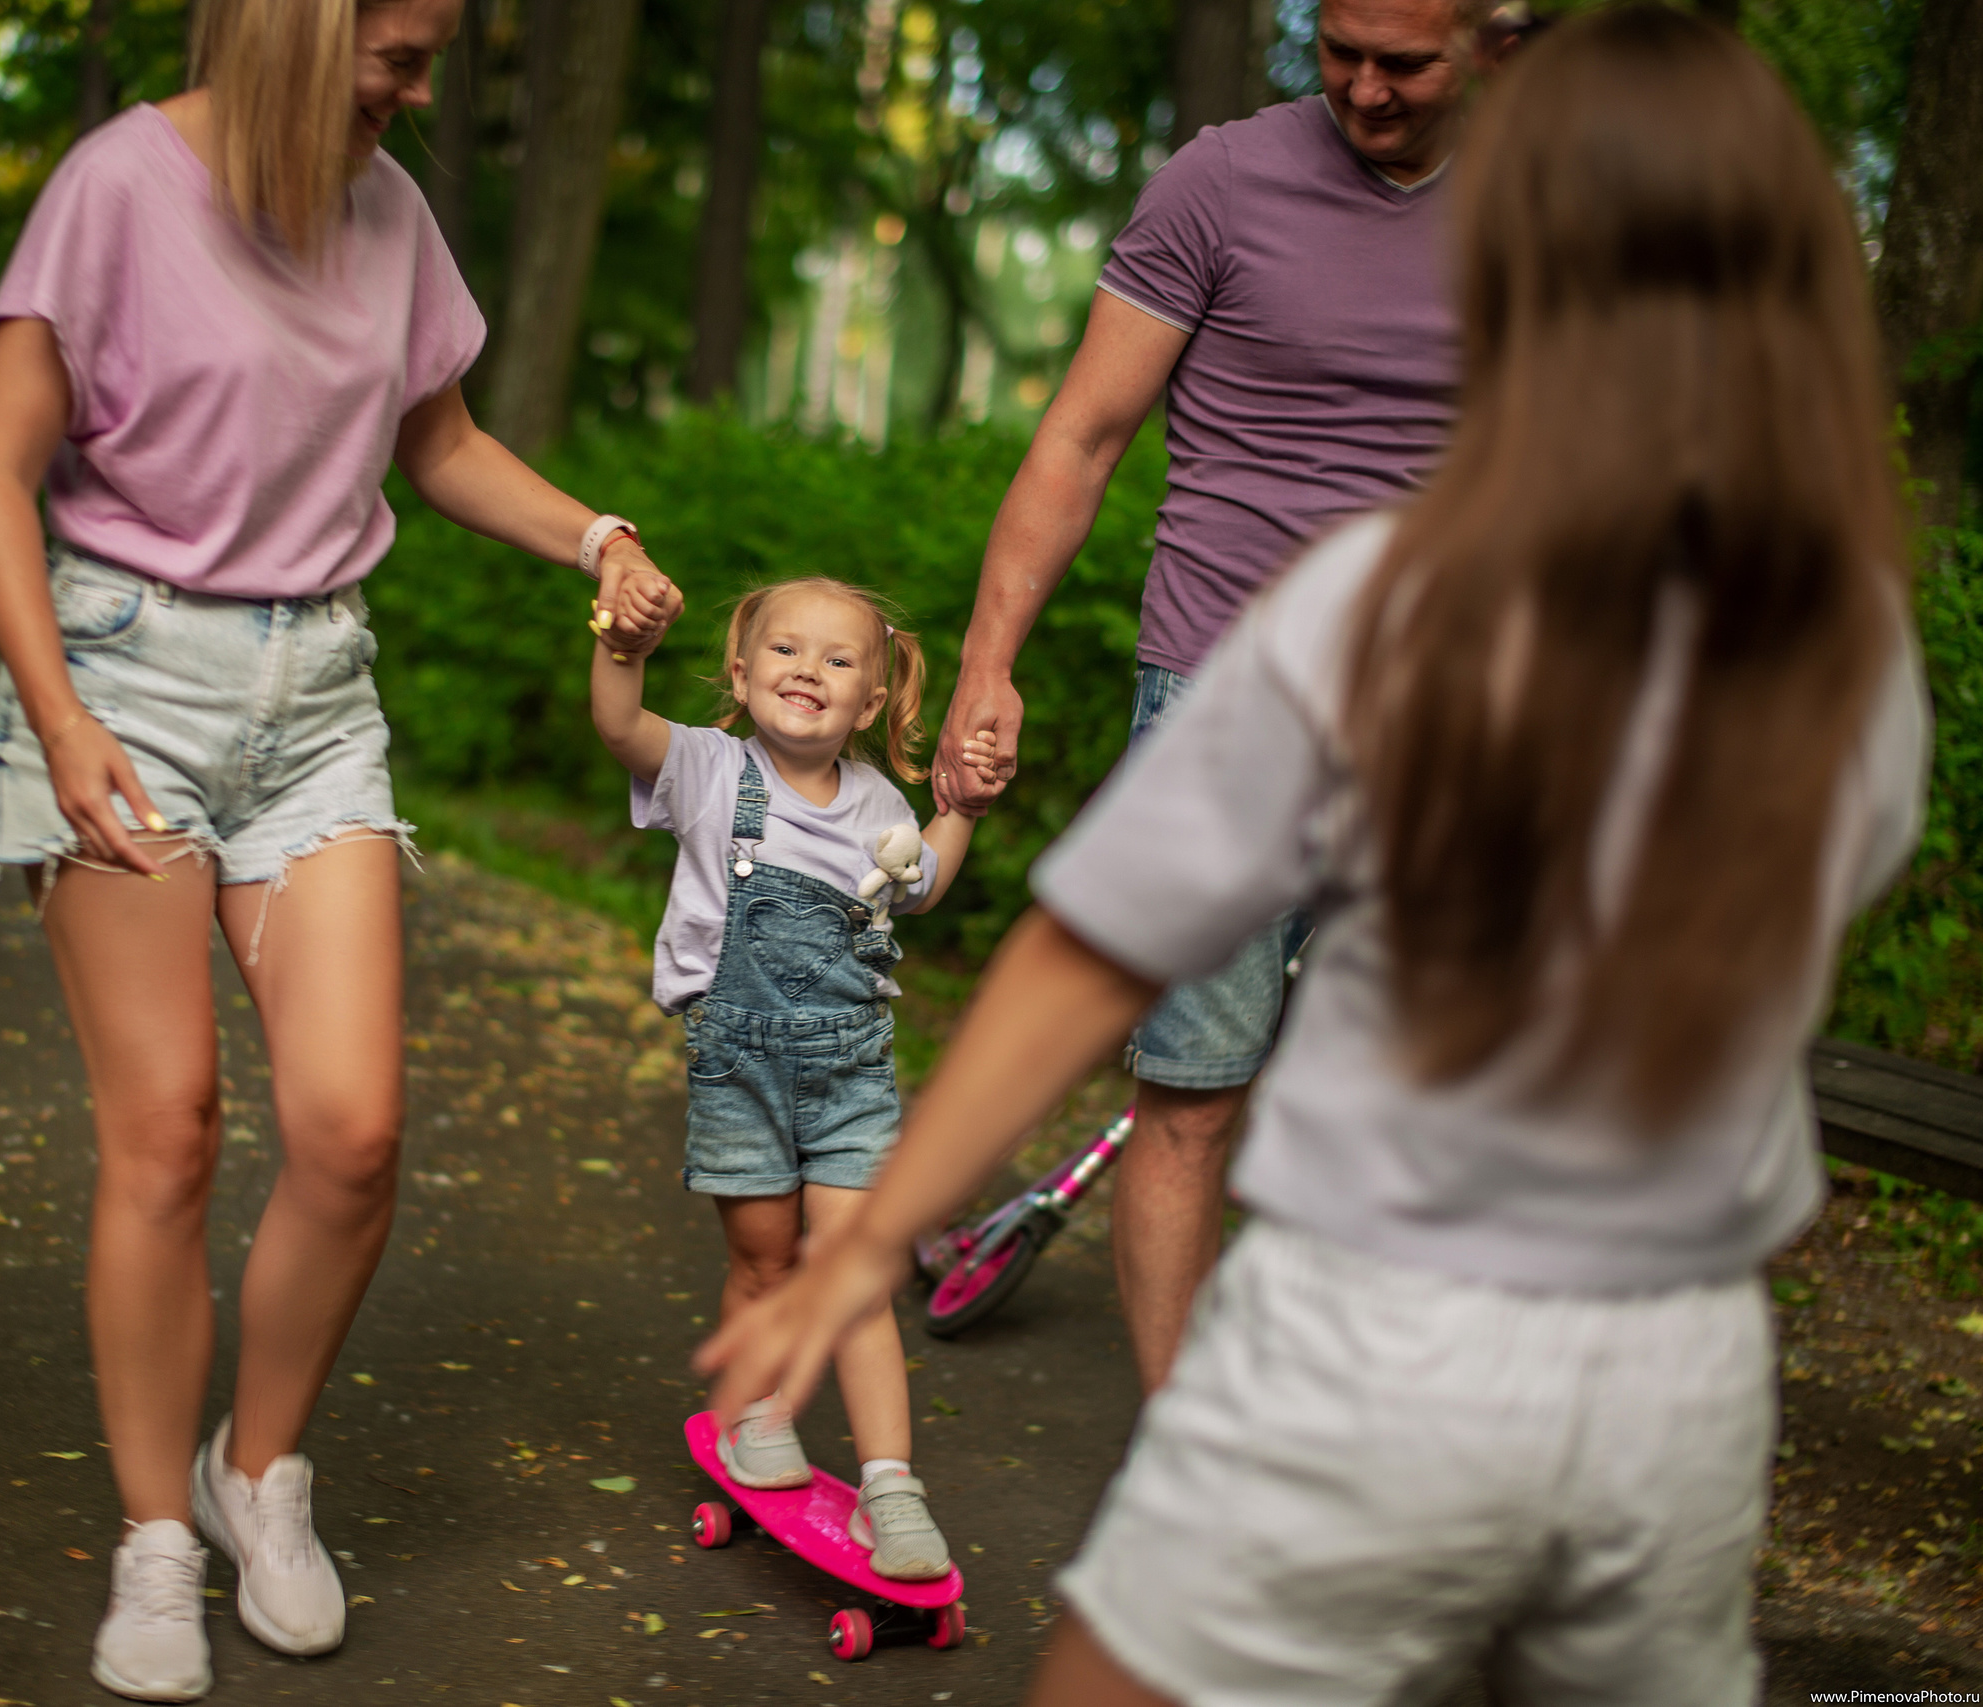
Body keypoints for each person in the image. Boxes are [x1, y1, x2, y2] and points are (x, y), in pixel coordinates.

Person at [703, 9, 1927, 1702]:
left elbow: (1082, 957)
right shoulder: (1851, 647)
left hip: (1381, 1341)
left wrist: (858, 1244)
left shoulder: (1383, 607)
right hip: (1683, 1383)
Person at [0, 0, 683, 1695]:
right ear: (292, 28)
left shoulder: (389, 210)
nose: (422, 92)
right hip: (125, 672)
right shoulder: (121, 187)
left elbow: (437, 442)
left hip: (318, 692)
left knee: (352, 1132)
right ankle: (151, 1537)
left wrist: (594, 533)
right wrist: (58, 716)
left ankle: (254, 1470)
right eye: (401, 57)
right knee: (172, 1130)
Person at [935, 0, 1509, 1395]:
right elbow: (1080, 441)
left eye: (1406, 64)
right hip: (1223, 701)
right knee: (1191, 1100)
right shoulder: (1224, 180)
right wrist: (983, 664)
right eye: (1340, 53)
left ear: (1493, 43)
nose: (1366, 90)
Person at [590, 577, 1001, 1578]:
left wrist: (963, 809)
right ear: (740, 672)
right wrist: (622, 645)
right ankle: (759, 1414)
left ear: (868, 703)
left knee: (852, 1275)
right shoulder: (707, 768)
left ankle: (891, 1485)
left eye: (837, 659)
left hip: (850, 1072)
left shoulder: (878, 805)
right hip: (737, 1069)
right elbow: (616, 724)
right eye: (784, 650)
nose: (806, 670)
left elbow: (921, 888)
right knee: (767, 1261)